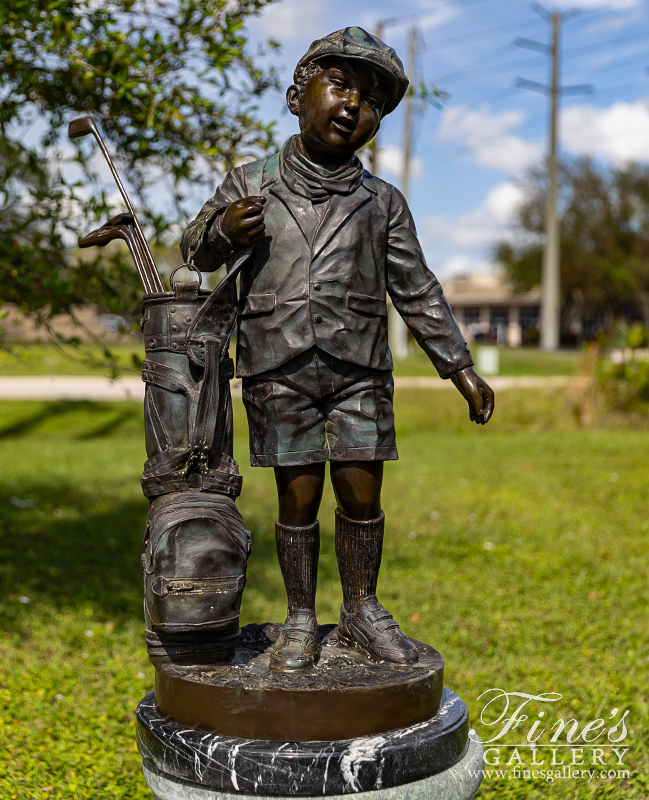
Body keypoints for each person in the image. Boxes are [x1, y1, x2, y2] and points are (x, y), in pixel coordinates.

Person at [181, 27, 494, 672]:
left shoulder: (382, 202)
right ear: (300, 96)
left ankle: (362, 609)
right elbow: (194, 250)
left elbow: (416, 287)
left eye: (374, 100)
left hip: (357, 370)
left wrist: (459, 366)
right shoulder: (252, 180)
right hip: (278, 364)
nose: (355, 105)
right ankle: (300, 616)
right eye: (341, 85)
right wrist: (221, 229)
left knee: (361, 491)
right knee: (296, 496)